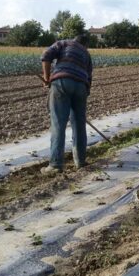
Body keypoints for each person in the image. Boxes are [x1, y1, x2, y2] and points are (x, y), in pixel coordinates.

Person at [40, 34, 93, 176]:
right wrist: (79, 102)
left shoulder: (63, 43)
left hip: (62, 81)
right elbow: (89, 78)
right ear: (85, 44)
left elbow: (46, 56)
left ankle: (56, 164)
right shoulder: (86, 54)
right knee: (79, 124)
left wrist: (46, 78)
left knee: (59, 123)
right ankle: (80, 162)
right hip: (81, 86)